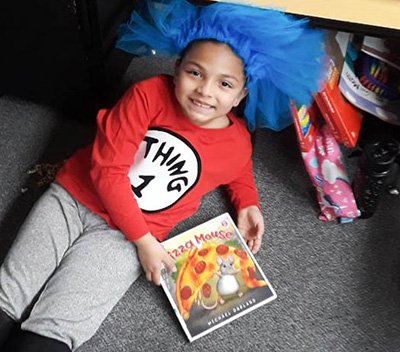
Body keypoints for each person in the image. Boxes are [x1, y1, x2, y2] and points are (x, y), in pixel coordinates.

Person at [0, 1, 324, 351]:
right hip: (78, 198)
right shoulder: (147, 93)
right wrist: (144, 243)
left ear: (241, 95)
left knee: (60, 323)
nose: (205, 91)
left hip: (122, 240)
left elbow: (238, 164)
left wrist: (247, 202)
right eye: (195, 73)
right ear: (177, 66)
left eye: (225, 84)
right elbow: (107, 172)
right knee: (10, 290)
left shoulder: (236, 140)